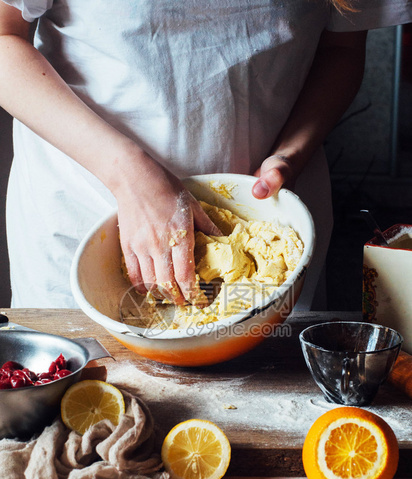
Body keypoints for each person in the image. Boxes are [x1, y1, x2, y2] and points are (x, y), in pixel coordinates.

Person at [0, 1, 411, 311]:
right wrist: (129, 175)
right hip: (87, 208)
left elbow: (342, 48)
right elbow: (4, 37)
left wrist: (291, 152)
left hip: (269, 233)